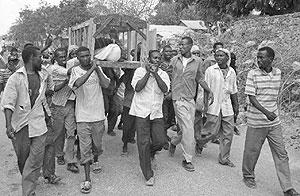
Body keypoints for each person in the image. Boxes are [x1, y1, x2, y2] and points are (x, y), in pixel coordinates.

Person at [242, 47, 299, 196]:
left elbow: (273, 95)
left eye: (262, 57)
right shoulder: (252, 74)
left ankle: (287, 188)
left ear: (271, 59)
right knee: (252, 152)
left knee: (281, 154)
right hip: (256, 120)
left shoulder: (278, 73)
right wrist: (266, 112)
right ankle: (248, 176)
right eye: (258, 57)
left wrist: (272, 112)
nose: (258, 60)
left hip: (274, 122)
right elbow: (251, 98)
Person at [1, 46, 51, 195]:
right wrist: (8, 125)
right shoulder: (15, 78)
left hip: (39, 124)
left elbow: (42, 100)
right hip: (21, 124)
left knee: (35, 159)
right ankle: (28, 180)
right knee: (23, 160)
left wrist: (49, 116)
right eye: (39, 57)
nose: (42, 59)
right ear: (31, 58)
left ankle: (28, 191)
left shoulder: (43, 75)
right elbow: (8, 103)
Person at [69, 46, 110, 194]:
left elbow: (106, 85)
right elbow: (77, 84)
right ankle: (87, 179)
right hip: (83, 116)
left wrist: (97, 69)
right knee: (85, 148)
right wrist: (92, 69)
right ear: (78, 58)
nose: (86, 58)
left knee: (97, 146)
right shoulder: (75, 71)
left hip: (98, 115)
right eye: (82, 56)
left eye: (88, 55)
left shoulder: (97, 69)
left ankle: (96, 158)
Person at [169, 36, 213, 172]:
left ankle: (174, 142)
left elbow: (200, 78)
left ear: (190, 46)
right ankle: (187, 159)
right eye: (180, 45)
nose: (180, 47)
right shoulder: (174, 60)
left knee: (187, 127)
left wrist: (208, 90)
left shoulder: (198, 61)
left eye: (183, 45)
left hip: (190, 99)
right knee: (189, 128)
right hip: (178, 98)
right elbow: (167, 73)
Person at [130, 50, 170, 186]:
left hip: (156, 112)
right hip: (141, 112)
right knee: (143, 143)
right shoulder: (140, 72)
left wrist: (155, 74)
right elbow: (138, 88)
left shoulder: (164, 74)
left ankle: (151, 153)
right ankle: (148, 174)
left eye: (159, 58)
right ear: (149, 59)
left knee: (160, 141)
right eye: (154, 58)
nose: (157, 60)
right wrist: (148, 73)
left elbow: (165, 89)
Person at [198, 48, 239, 167]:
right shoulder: (211, 70)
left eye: (222, 56)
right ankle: (199, 143)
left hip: (227, 106)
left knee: (228, 134)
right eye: (217, 56)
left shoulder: (231, 71)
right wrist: (205, 105)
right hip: (213, 105)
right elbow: (205, 89)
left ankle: (224, 158)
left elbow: (233, 90)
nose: (219, 58)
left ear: (227, 57)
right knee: (211, 132)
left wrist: (236, 105)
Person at [50, 48, 78, 173]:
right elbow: (70, 72)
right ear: (55, 58)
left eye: (64, 57)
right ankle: (59, 154)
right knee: (59, 134)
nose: (63, 59)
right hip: (58, 106)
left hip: (69, 105)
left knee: (71, 133)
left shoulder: (67, 65)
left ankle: (70, 160)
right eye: (60, 57)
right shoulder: (54, 68)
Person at [160, 45, 176, 134]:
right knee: (163, 116)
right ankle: (162, 136)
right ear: (163, 52)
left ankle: (164, 133)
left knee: (170, 116)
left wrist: (172, 92)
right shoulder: (160, 63)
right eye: (166, 51)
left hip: (172, 93)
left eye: (170, 51)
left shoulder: (174, 63)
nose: (168, 53)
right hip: (162, 93)